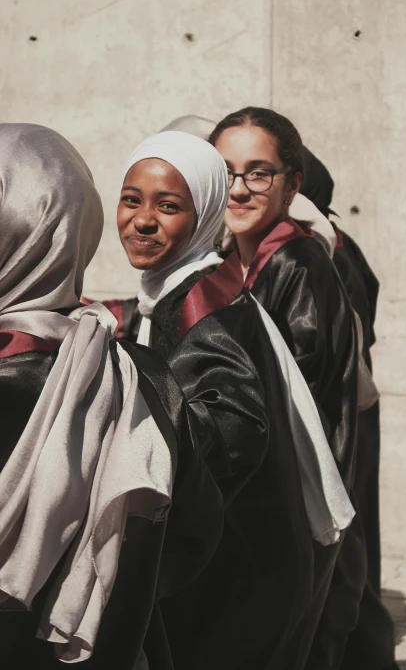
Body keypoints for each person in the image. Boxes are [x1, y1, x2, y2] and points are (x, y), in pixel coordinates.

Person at [112, 129, 353, 670]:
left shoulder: (198, 303)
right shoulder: (189, 282)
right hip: (247, 560)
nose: (143, 220)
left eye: (169, 206)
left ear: (203, 215)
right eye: (131, 199)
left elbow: (233, 433)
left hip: (236, 571)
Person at [0, 124, 222, 670]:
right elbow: (196, 528)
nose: (144, 220)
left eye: (169, 204)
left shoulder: (208, 313)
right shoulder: (138, 376)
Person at [211, 106, 398, 670]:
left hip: (291, 517)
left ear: (292, 183)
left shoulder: (297, 262)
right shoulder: (236, 259)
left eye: (258, 172)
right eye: (225, 172)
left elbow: (291, 410)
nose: (239, 188)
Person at [299, 144, 382, 594]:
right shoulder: (334, 240)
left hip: (340, 411)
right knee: (358, 542)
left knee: (347, 554)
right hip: (355, 408)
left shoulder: (313, 250)